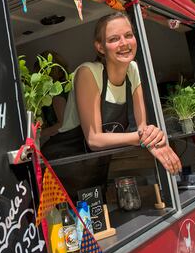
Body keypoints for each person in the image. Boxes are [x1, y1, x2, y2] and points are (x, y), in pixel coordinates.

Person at [41, 12, 182, 174]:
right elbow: (94, 139)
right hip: (61, 165)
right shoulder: (88, 72)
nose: (124, 43)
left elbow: (141, 128)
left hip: (95, 166)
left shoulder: (133, 70)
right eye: (114, 39)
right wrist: (145, 139)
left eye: (128, 35)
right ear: (100, 47)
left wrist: (152, 138)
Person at [36, 51, 69, 145]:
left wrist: (38, 135)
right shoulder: (65, 87)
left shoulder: (56, 92)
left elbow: (61, 125)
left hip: (63, 141)